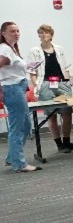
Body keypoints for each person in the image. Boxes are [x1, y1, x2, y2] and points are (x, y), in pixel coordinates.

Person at [27, 23, 73, 153]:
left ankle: (67, 142)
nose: (44, 35)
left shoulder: (59, 49)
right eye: (41, 32)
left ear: (51, 35)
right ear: (38, 35)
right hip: (45, 84)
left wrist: (67, 82)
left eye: (46, 32)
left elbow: (67, 67)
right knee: (51, 115)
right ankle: (59, 144)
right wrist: (36, 86)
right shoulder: (34, 51)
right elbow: (32, 72)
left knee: (67, 113)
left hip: (62, 83)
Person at [1, 22, 41, 172]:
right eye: (12, 31)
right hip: (12, 89)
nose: (16, 33)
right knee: (18, 127)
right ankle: (19, 164)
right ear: (3, 33)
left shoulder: (12, 49)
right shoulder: (5, 49)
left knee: (25, 126)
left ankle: (12, 158)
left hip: (18, 87)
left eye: (18, 31)